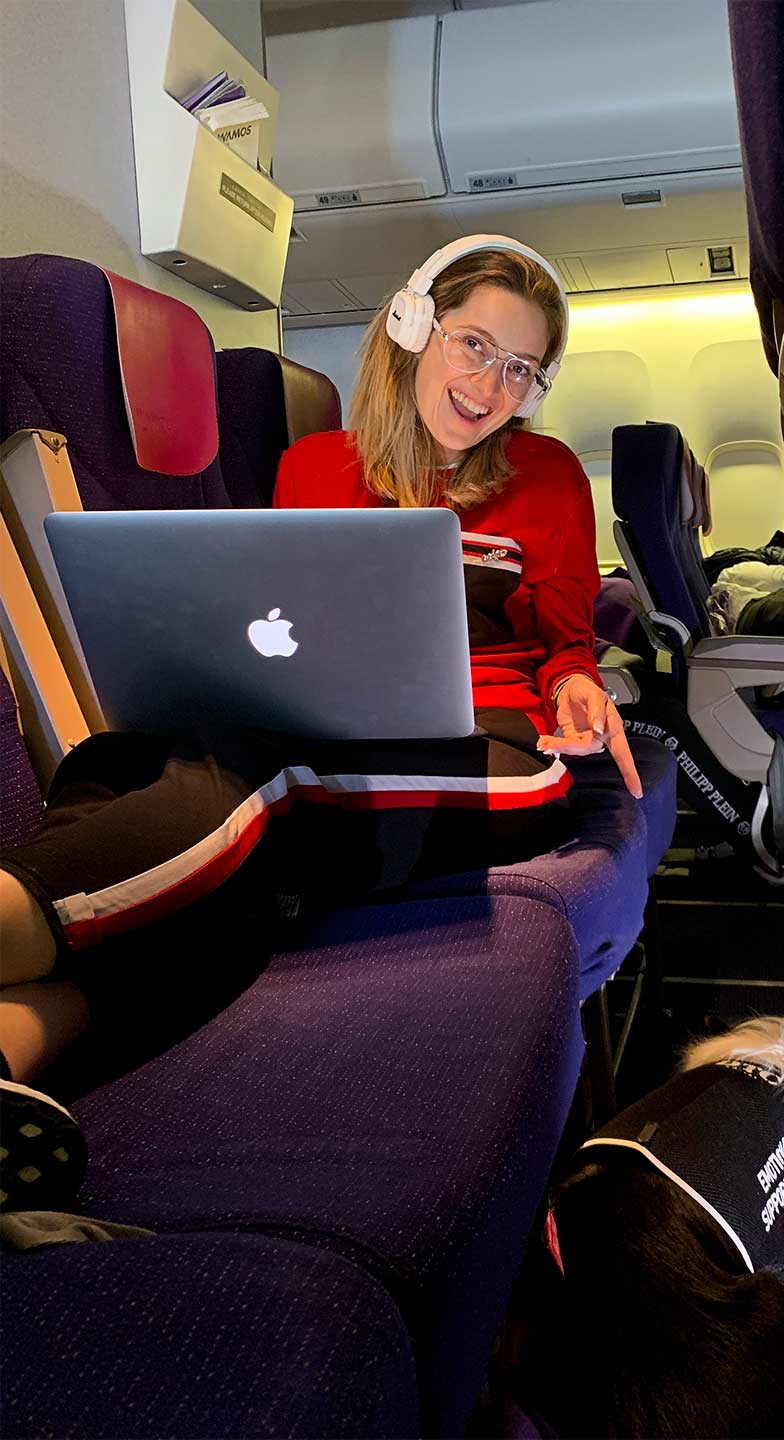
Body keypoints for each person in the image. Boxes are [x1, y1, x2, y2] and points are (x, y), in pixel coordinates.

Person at [0, 235, 641, 1211]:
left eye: (521, 368)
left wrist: (577, 687)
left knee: (282, 788)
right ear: (413, 326)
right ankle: (17, 1044)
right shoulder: (313, 465)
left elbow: (564, 643)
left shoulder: (548, 475)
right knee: (126, 763)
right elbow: (287, 635)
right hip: (326, 727)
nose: (493, 384)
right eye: (474, 346)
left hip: (494, 742)